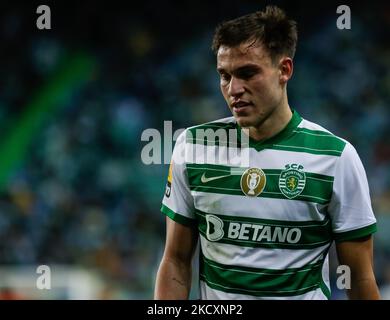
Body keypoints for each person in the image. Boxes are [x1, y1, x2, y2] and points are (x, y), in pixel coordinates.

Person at [154, 5, 380, 300]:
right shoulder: (193, 147)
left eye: (247, 73)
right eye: (225, 75)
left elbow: (359, 279)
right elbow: (176, 261)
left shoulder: (336, 158)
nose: (234, 88)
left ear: (284, 70)